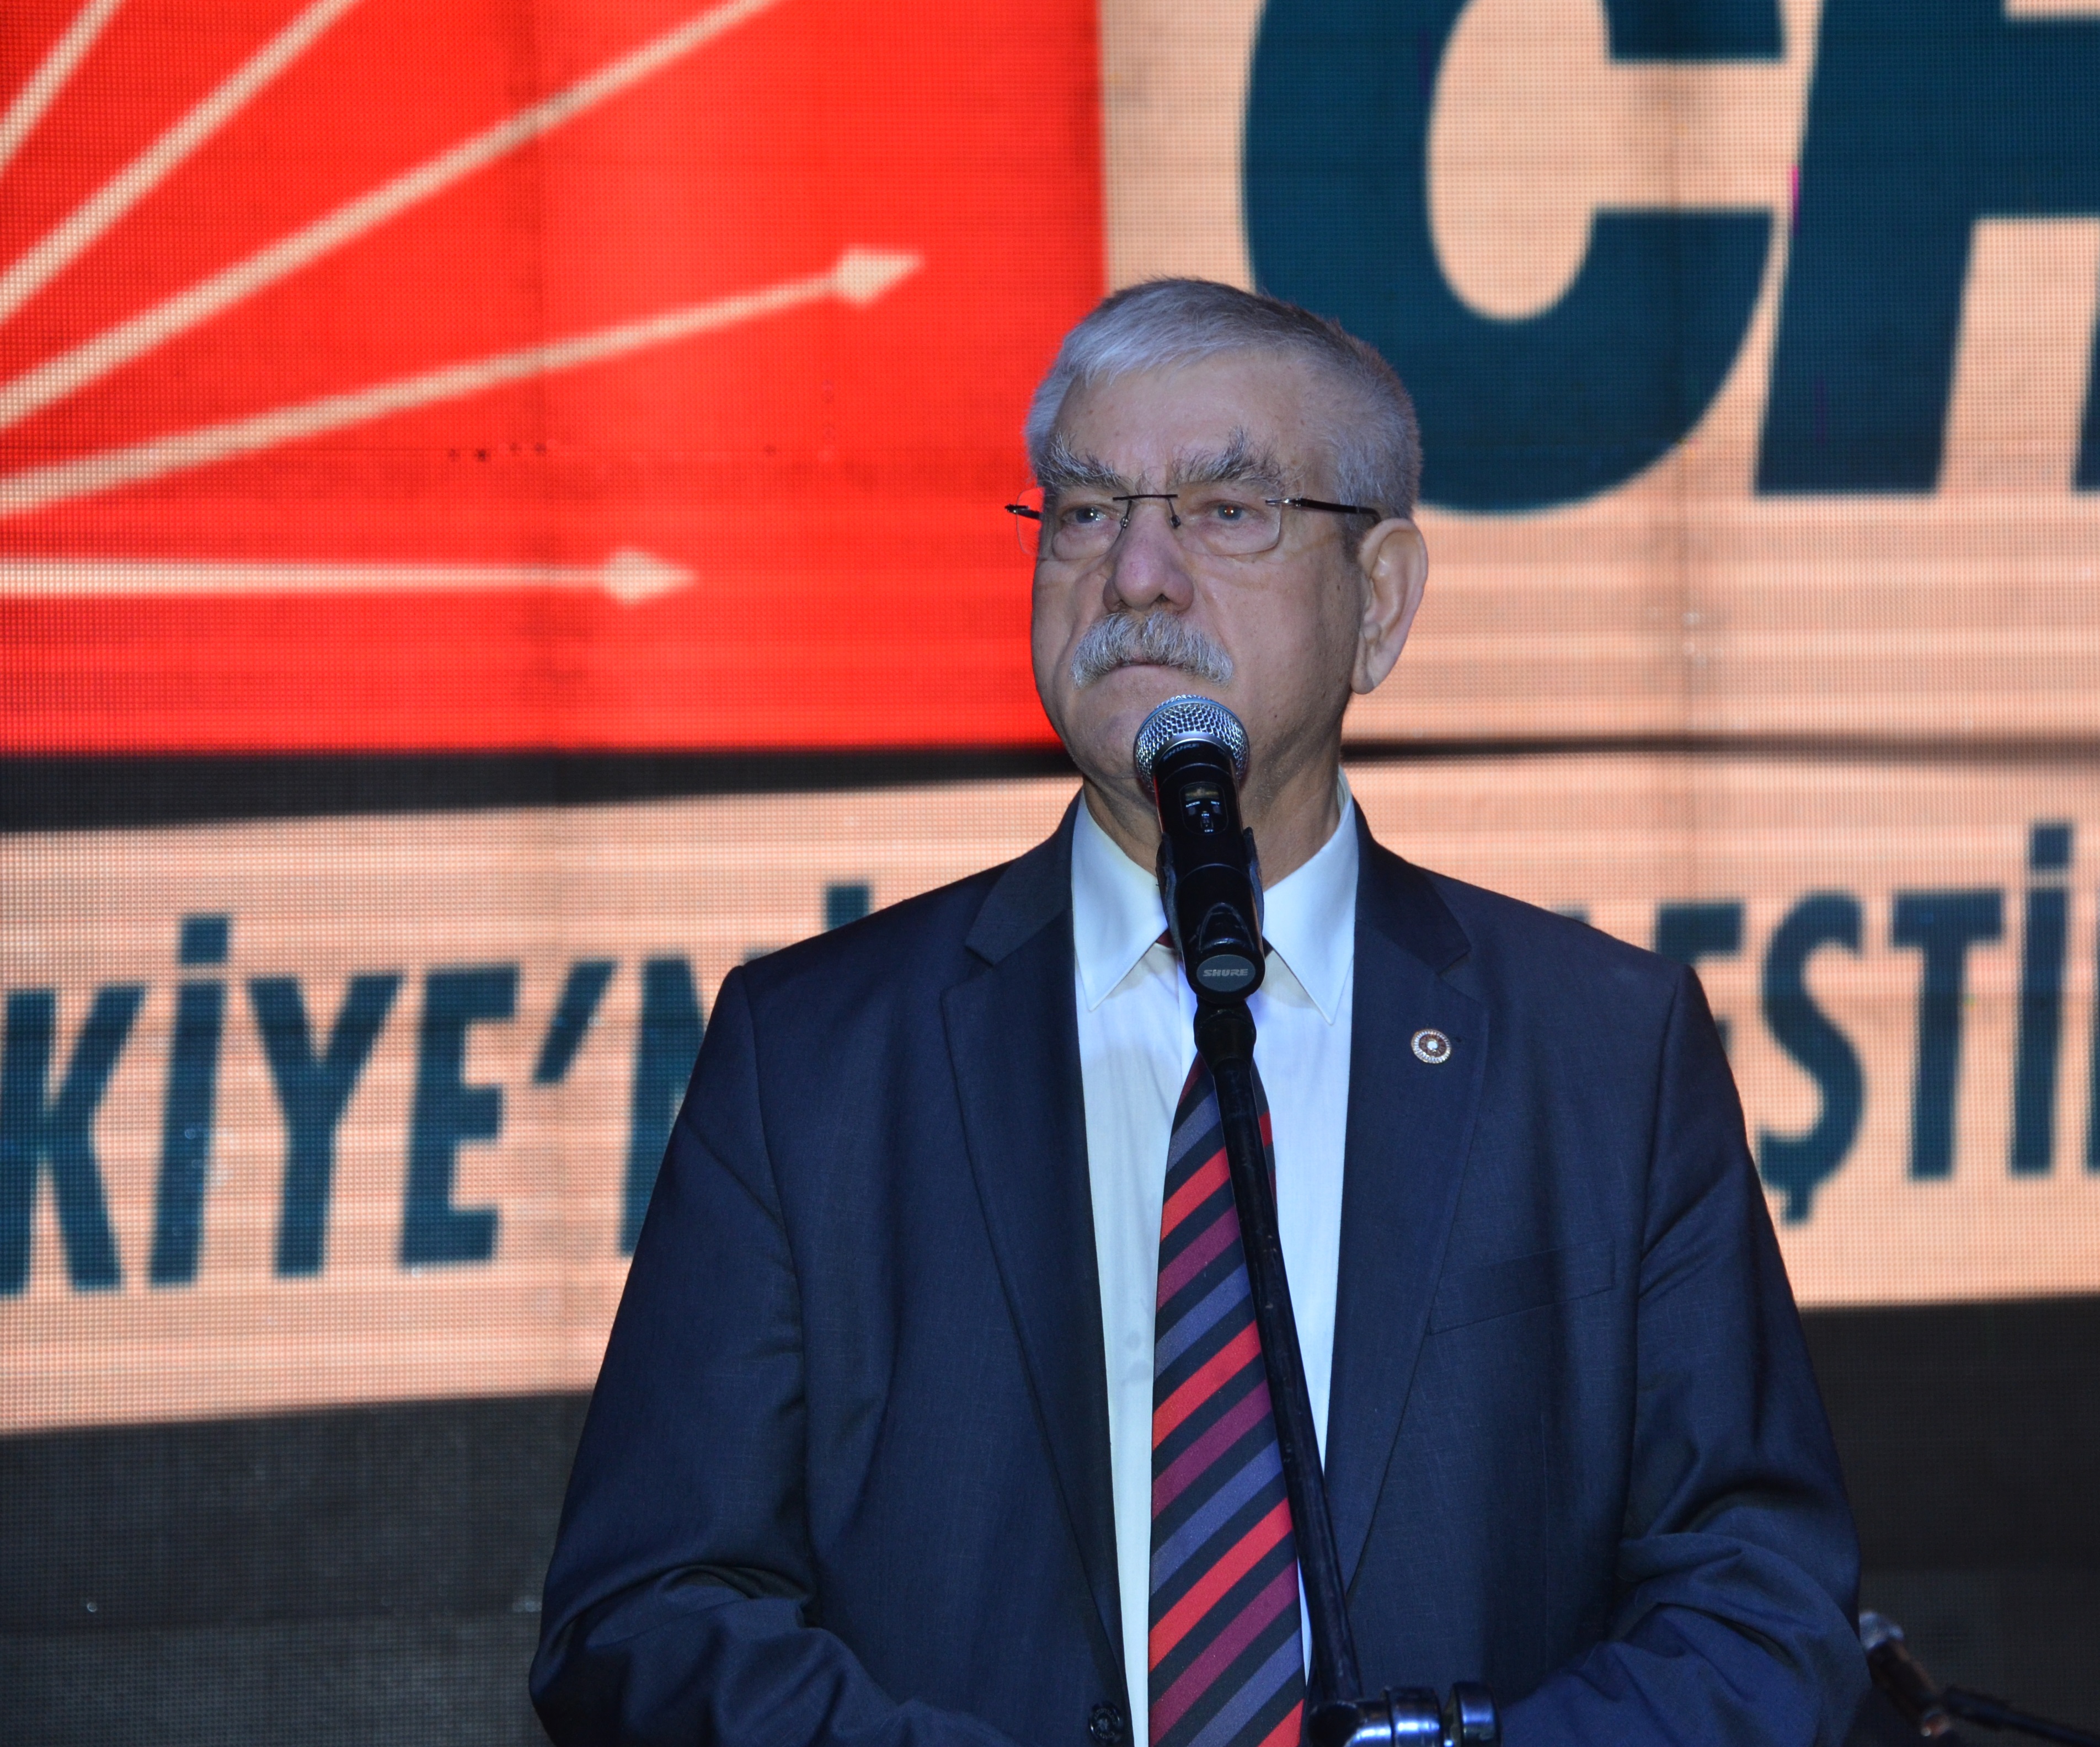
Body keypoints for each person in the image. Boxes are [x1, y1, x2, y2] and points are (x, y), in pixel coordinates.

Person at [532, 279, 1867, 1747]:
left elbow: (1759, 1607)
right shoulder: (811, 1059)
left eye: (1227, 511)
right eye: (1085, 510)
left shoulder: (1604, 1052)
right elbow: (646, 1616)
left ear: (1379, 602)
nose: (1137, 573)